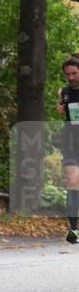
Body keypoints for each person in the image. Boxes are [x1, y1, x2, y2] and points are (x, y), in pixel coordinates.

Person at [56, 55, 79, 244]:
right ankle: (74, 230)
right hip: (71, 142)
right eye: (67, 74)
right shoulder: (63, 92)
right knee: (73, 181)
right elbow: (63, 110)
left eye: (74, 73)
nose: (70, 77)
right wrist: (60, 110)